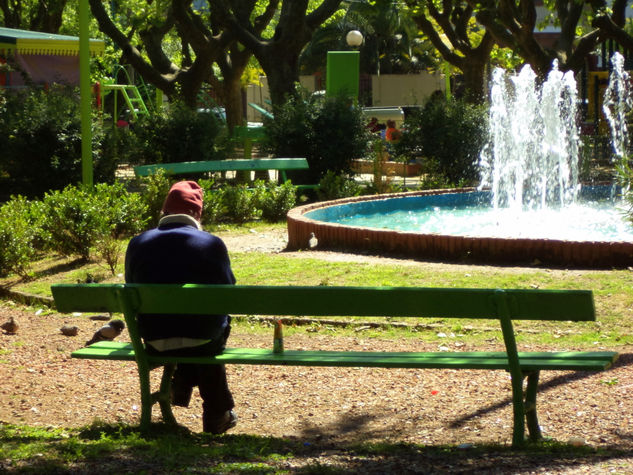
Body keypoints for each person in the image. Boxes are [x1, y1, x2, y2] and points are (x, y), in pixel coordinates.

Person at [124, 180, 237, 434]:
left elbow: (131, 287)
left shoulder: (137, 243)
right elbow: (228, 294)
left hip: (154, 339)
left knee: (187, 323)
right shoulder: (211, 244)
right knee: (209, 326)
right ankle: (216, 412)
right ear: (197, 213)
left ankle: (183, 382)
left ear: (164, 211)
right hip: (203, 340)